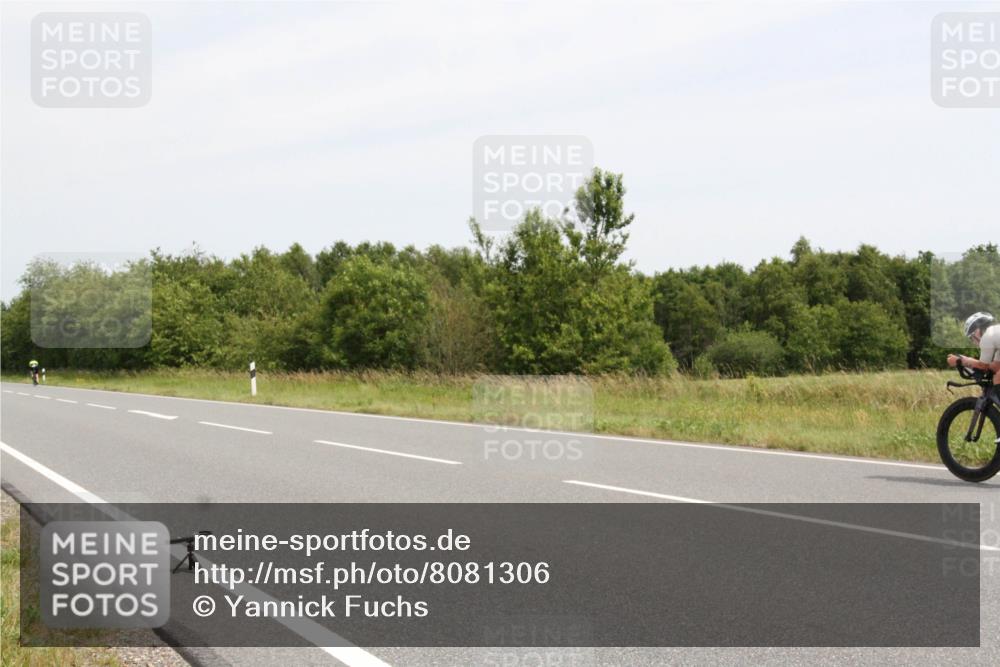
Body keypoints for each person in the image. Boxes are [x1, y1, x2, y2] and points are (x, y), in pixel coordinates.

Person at [947, 312, 1000, 398]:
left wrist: (962, 360)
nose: (973, 342)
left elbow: (983, 366)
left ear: (977, 331)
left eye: (971, 338)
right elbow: (996, 367)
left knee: (998, 378)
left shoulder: (987, 337)